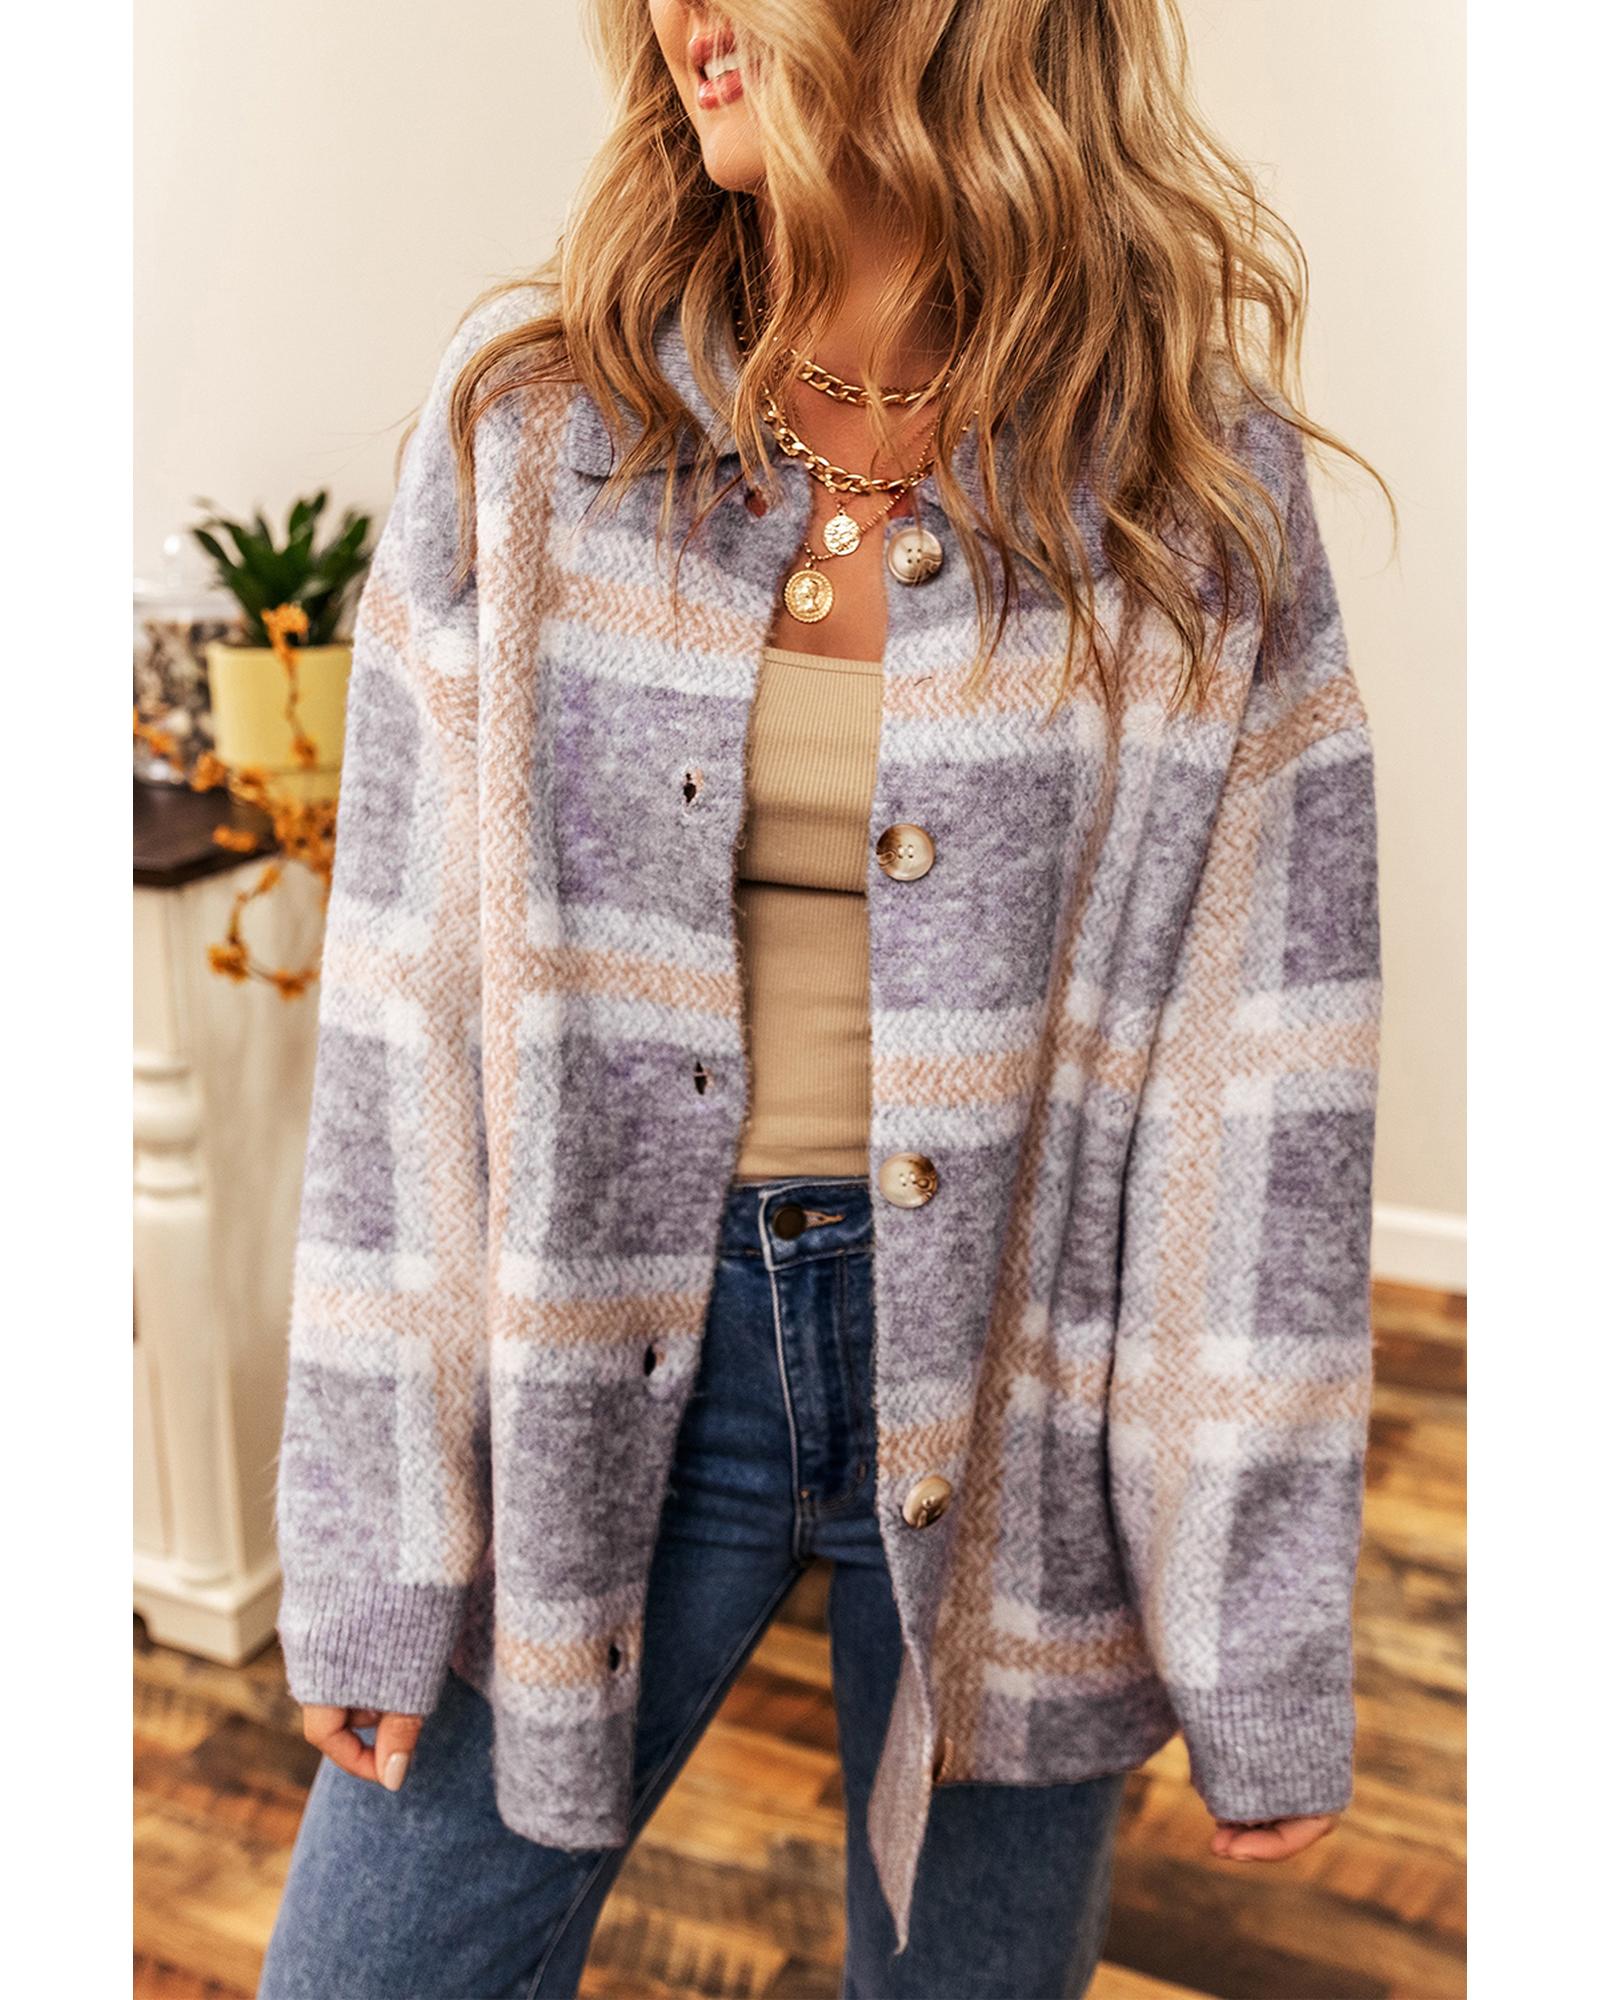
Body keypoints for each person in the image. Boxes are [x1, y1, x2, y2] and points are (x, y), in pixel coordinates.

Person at [259, 4, 1390, 1995]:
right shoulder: (533, 422)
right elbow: (404, 1020)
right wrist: (372, 1539)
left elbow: (1260, 1085)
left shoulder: (1188, 488)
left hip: (1014, 1396)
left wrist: (1257, 1632)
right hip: (606, 1346)